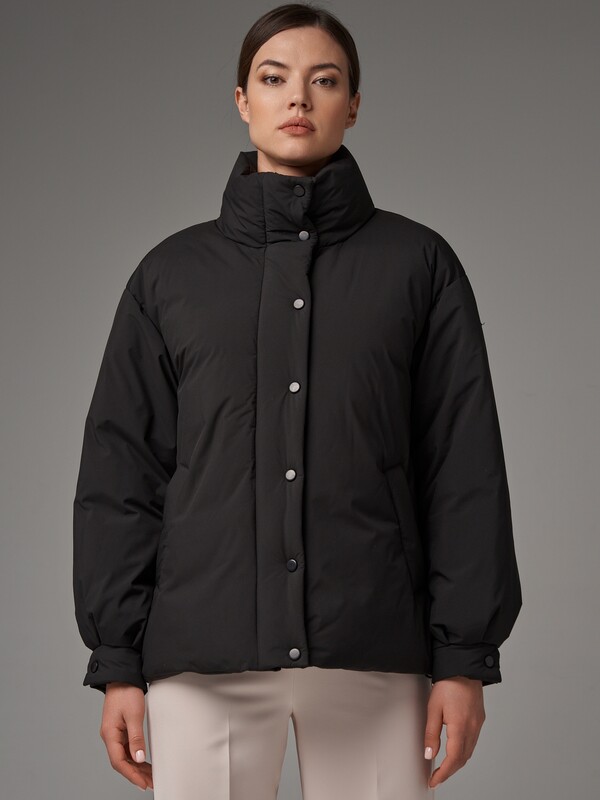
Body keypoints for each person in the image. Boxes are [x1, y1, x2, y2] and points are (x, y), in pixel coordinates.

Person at [72, 3, 523, 799]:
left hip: (373, 648)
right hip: (202, 657)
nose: (299, 99)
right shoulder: (169, 275)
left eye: (326, 80)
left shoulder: (420, 266)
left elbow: (463, 468)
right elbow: (123, 475)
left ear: (355, 104)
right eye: (274, 78)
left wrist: (463, 660)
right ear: (242, 99)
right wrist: (117, 662)